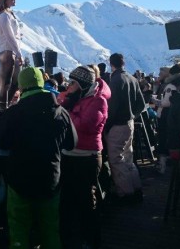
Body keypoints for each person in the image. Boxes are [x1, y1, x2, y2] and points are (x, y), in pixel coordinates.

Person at [0, 67, 77, 248]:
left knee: (19, 231)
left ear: (22, 86)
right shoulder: (60, 112)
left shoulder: (13, 113)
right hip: (50, 180)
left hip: (20, 181)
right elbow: (72, 143)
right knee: (50, 230)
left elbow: (2, 143)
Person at [60, 66, 110, 248]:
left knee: (86, 200)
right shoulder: (74, 99)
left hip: (86, 155)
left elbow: (86, 125)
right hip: (68, 154)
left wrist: (67, 112)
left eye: (72, 82)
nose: (68, 85)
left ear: (81, 84)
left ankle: (91, 239)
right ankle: (69, 238)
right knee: (66, 198)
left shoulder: (98, 101)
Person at [104, 53, 145, 204]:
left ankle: (125, 193)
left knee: (116, 159)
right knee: (128, 156)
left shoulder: (115, 80)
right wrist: (131, 115)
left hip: (117, 125)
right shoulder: (132, 79)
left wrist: (108, 125)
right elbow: (141, 104)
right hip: (129, 123)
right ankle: (136, 187)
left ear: (111, 64)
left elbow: (112, 108)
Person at [0, 0, 23, 108]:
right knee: (6, 82)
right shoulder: (4, 16)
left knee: (15, 82)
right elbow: (9, 36)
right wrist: (19, 53)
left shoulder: (9, 14)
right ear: (4, 0)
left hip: (12, 50)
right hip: (8, 50)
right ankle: (2, 108)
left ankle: (5, 106)